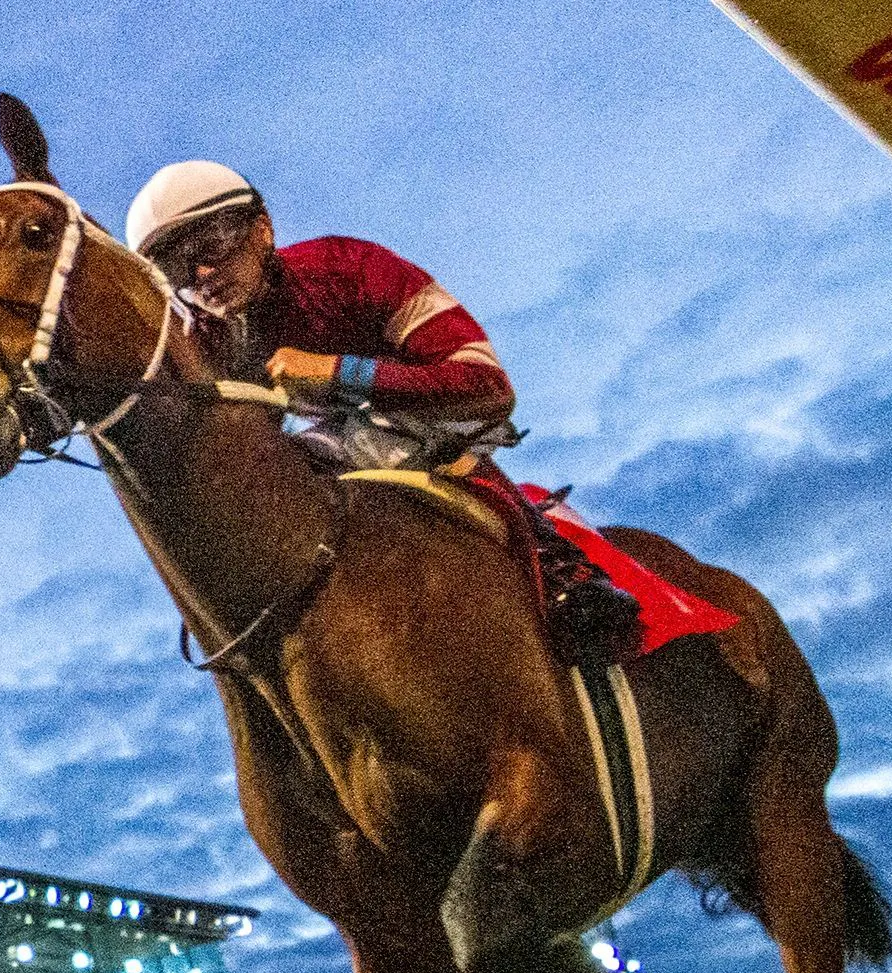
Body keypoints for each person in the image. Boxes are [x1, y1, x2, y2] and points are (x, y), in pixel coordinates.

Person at [125, 160, 643, 665]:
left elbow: (490, 388)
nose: (203, 275)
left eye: (212, 246)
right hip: (344, 446)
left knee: (340, 443)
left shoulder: (351, 267)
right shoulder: (208, 339)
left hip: (442, 423)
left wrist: (339, 372)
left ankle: (563, 572)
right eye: (176, 268)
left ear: (263, 229)